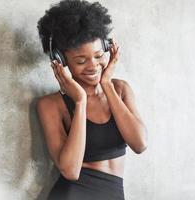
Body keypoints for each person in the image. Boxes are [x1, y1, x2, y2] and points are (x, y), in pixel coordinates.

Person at [36, 0, 148, 199]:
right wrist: (80, 101)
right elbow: (70, 171)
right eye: (81, 61)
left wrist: (106, 84)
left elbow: (139, 144)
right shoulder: (51, 105)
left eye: (98, 56)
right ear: (60, 61)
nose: (93, 66)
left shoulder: (120, 90)